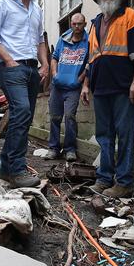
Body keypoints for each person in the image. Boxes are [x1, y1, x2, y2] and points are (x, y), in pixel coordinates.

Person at [81, 0, 134, 198]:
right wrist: (85, 85)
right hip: (100, 88)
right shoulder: (94, 24)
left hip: (123, 87)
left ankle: (124, 182)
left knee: (124, 134)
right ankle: (104, 178)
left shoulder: (131, 16)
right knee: (104, 135)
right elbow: (91, 59)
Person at [0, 0, 48, 189]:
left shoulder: (37, 9)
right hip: (13, 68)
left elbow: (40, 40)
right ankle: (18, 170)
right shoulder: (3, 3)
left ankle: (5, 169)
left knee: (25, 118)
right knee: (22, 111)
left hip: (32, 70)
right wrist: (9, 61)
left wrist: (46, 64)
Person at [44, 12, 88, 162]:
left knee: (70, 117)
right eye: (74, 24)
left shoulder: (88, 41)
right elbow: (54, 58)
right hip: (57, 87)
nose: (76, 26)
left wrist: (80, 80)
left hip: (73, 88)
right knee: (55, 117)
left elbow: (89, 64)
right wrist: (54, 73)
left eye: (79, 24)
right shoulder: (63, 39)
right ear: (71, 24)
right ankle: (53, 148)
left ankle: (70, 149)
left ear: (85, 24)